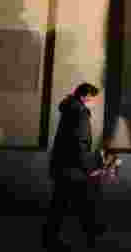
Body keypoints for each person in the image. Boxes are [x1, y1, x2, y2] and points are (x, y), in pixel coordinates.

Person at [44, 83, 107, 251]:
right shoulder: (80, 113)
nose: (94, 101)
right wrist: (89, 167)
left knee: (68, 202)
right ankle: (56, 237)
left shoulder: (70, 109)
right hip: (73, 167)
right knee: (71, 202)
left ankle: (89, 230)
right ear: (85, 96)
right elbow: (81, 143)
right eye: (93, 98)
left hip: (63, 164)